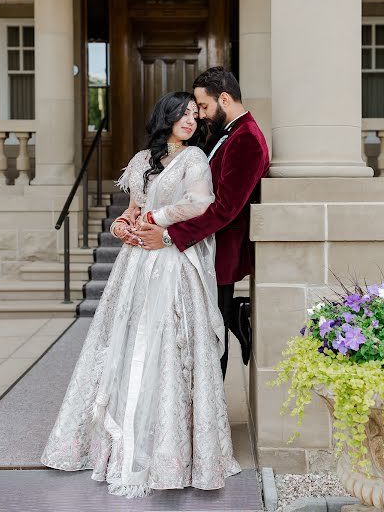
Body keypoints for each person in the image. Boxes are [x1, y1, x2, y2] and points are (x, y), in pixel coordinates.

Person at [41, 91, 241, 498]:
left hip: (170, 261)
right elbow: (131, 210)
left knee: (167, 348)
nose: (190, 121)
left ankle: (169, 451)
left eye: (193, 115)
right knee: (123, 345)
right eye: (182, 114)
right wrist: (122, 226)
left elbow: (201, 203)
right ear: (164, 117)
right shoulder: (141, 160)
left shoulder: (194, 159)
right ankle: (112, 444)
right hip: (135, 264)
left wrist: (158, 222)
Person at [135, 67, 270, 378]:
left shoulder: (247, 139)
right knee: (197, 334)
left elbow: (225, 209)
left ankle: (211, 416)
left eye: (205, 107)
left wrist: (169, 236)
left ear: (224, 99)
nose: (202, 117)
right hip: (203, 248)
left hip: (221, 254)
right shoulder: (228, 134)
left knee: (212, 337)